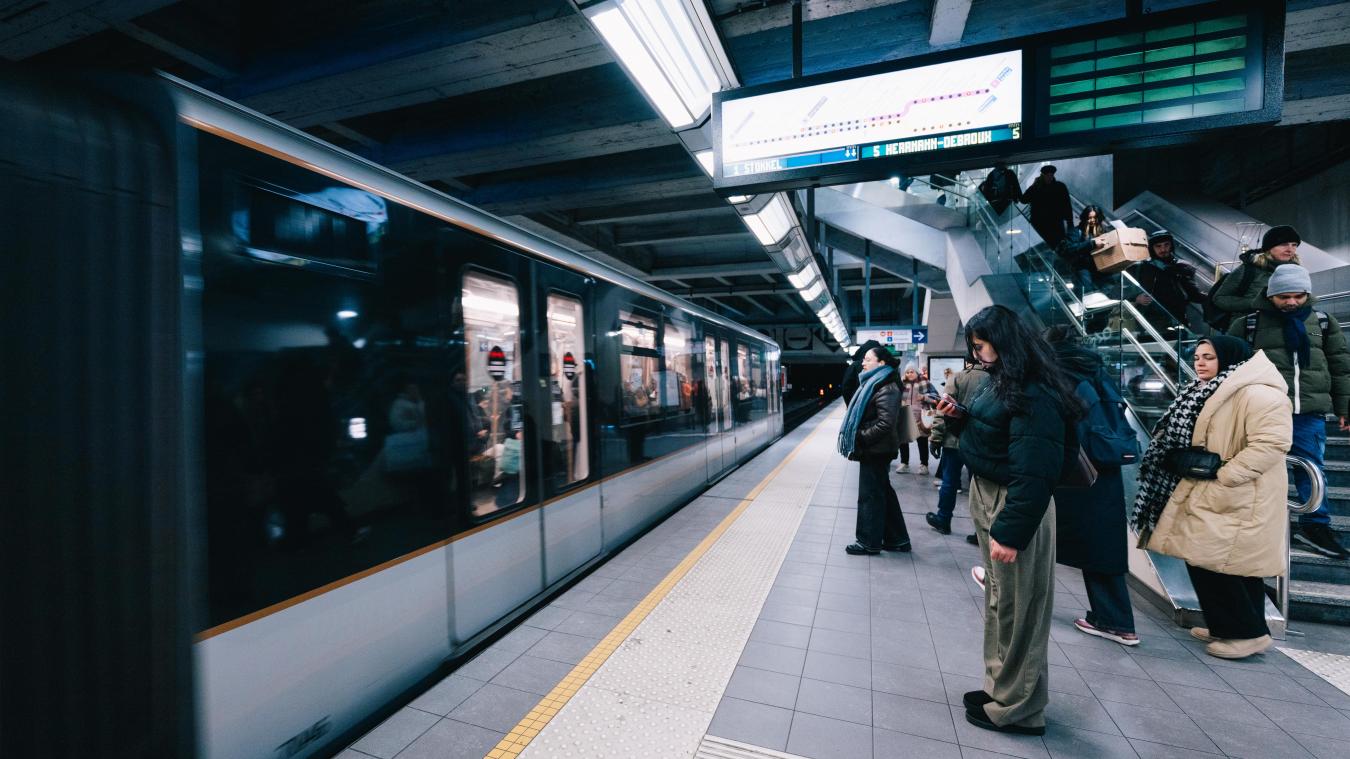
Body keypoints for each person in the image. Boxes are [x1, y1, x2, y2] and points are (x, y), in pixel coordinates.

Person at [937, 305, 1083, 736]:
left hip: (1016, 503)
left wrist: (1012, 531)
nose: (978, 354)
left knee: (1021, 611)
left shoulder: (1035, 392)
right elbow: (998, 434)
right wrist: (960, 419)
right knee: (1002, 603)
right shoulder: (1004, 381)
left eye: (981, 345)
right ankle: (1000, 689)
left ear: (1003, 343)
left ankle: (1019, 709)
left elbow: (1035, 469)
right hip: (993, 493)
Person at [1134, 337, 1292, 659]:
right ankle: (1230, 625)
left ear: (1231, 359)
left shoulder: (1257, 392)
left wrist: (1225, 475)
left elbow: (1273, 444)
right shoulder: (1210, 390)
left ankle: (1246, 635)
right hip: (1215, 490)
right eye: (1197, 357)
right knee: (1222, 563)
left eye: (1210, 357)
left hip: (1240, 493)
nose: (1200, 363)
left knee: (1221, 563)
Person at [1226, 264, 1350, 558]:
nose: (1292, 302)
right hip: (1263, 413)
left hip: (1308, 412)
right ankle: (1258, 525)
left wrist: (1344, 407)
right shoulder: (1248, 324)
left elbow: (1340, 365)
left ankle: (1314, 526)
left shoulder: (1322, 321)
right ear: (1270, 295)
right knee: (1259, 469)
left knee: (1312, 469)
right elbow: (1228, 371)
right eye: (1284, 297)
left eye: (1298, 295)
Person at [1045, 327, 1139, 646]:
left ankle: (1003, 589)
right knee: (1102, 546)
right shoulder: (1098, 370)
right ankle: (1114, 619)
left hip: (1076, 467)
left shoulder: (1060, 374)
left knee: (1034, 530)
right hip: (1105, 464)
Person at [837, 346, 911, 555]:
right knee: (882, 492)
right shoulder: (877, 383)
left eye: (868, 359)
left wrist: (860, 436)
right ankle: (898, 539)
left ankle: (868, 542)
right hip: (877, 448)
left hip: (876, 449)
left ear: (881, 363)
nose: (864, 362)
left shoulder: (886, 386)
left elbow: (885, 424)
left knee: (870, 495)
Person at [925, 361, 989, 535]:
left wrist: (936, 438)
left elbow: (942, 410)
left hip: (954, 441)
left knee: (950, 482)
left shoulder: (958, 377)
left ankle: (943, 519)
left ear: (967, 362)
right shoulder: (992, 378)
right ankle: (981, 531)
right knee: (981, 486)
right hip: (980, 443)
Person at [1210, 225, 1302, 322]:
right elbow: (1219, 299)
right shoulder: (1248, 270)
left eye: (1294, 245)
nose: (1290, 249)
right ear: (1269, 247)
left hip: (1286, 326)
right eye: (1284, 244)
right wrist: (1255, 303)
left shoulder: (1297, 271)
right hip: (1249, 328)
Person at [1130, 229, 1205, 329]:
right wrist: (1136, 298)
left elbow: (1193, 294)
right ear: (1152, 248)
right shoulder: (1142, 267)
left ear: (1171, 246)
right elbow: (1124, 289)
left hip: (1178, 317)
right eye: (1158, 246)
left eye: (1166, 245)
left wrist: (1214, 297)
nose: (1163, 249)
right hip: (1151, 319)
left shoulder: (1183, 267)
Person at [1057, 205, 1108, 302]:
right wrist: (1091, 244)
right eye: (1089, 218)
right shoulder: (1076, 232)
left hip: (1100, 269)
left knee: (1101, 297)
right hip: (1083, 269)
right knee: (1087, 296)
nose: (1092, 220)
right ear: (1085, 217)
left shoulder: (1103, 231)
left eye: (1095, 217)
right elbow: (1066, 249)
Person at [896, 362, 935, 474]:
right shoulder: (902, 383)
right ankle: (904, 463)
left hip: (920, 416)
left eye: (911, 371)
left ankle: (924, 465)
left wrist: (924, 397)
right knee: (903, 441)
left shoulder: (925, 382)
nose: (909, 374)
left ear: (916, 372)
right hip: (905, 414)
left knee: (922, 441)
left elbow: (935, 397)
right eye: (907, 372)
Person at [1022, 165, 1073, 250]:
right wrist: (1033, 186)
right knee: (1045, 247)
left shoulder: (1060, 187)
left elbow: (1067, 205)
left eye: (1051, 175)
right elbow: (1024, 200)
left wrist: (1070, 222)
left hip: (1053, 224)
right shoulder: (1037, 188)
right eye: (1047, 176)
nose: (1049, 178)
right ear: (1042, 176)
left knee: (1056, 247)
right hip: (1042, 224)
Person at [840, 340, 883, 406]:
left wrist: (850, 404)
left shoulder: (855, 366)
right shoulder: (881, 366)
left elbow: (846, 387)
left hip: (857, 403)